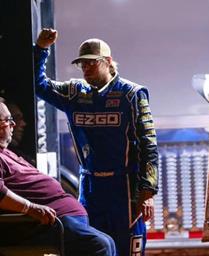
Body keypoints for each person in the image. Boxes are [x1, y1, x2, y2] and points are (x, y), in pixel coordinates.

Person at [34, 28, 158, 256]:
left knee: (128, 247)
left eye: (92, 63)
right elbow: (38, 84)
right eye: (82, 64)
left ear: (108, 61)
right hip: (90, 186)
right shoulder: (73, 92)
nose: (86, 68)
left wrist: (147, 191)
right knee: (95, 249)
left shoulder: (132, 94)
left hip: (124, 187)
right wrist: (41, 49)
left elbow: (148, 144)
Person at [0, 99, 116, 256]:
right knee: (100, 245)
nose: (13, 124)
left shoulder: (7, 153)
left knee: (108, 241)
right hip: (43, 224)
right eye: (8, 120)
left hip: (62, 220)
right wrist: (31, 207)